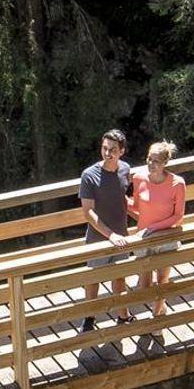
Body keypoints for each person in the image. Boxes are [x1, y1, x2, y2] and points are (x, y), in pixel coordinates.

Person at [77, 128, 135, 363]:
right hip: (98, 237)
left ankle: (123, 315)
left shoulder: (126, 169)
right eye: (104, 148)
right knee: (94, 279)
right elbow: (88, 213)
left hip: (121, 234)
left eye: (112, 150)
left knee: (119, 277)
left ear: (121, 151)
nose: (107, 153)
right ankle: (89, 317)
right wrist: (109, 235)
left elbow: (127, 197)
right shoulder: (89, 175)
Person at [129, 140, 187, 357]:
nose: (150, 164)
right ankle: (160, 308)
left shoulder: (177, 183)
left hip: (165, 236)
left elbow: (178, 216)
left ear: (165, 163)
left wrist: (154, 227)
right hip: (143, 237)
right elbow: (136, 206)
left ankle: (157, 317)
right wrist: (115, 201)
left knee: (162, 280)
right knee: (144, 285)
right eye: (148, 159)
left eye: (155, 161)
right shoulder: (138, 178)